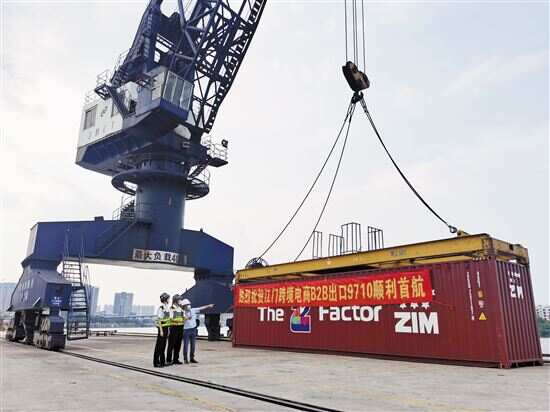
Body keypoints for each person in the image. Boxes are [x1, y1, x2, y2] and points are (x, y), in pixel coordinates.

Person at [180, 299, 214, 364]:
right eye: (187, 305)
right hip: (186, 330)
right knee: (186, 345)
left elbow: (201, 308)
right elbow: (182, 320)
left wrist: (208, 306)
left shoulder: (193, 310)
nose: (188, 306)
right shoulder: (183, 312)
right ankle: (185, 359)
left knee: (193, 345)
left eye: (189, 304)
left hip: (193, 329)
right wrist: (186, 318)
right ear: (184, 306)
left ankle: (192, 358)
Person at [153, 292, 171, 368]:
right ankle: (156, 362)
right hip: (162, 328)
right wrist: (161, 330)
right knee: (159, 346)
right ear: (165, 299)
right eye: (168, 298)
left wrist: (168, 329)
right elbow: (159, 320)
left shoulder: (167, 307)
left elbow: (168, 320)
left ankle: (162, 362)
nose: (169, 300)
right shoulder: (161, 308)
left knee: (163, 345)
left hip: (166, 328)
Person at [166, 294, 184, 365]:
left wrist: (184, 319)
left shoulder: (181, 309)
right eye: (180, 300)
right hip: (174, 328)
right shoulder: (172, 308)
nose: (181, 301)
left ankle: (176, 359)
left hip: (180, 327)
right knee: (171, 344)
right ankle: (168, 360)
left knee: (178, 344)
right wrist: (179, 320)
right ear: (176, 300)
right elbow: (171, 319)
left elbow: (183, 317)